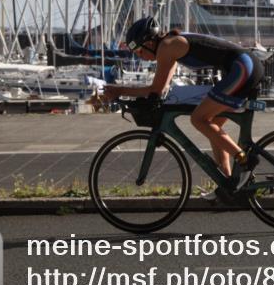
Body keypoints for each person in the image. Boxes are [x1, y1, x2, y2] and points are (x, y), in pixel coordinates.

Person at [102, 17, 264, 200]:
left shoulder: (167, 46)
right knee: (212, 125)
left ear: (148, 43)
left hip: (243, 68)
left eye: (139, 51)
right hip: (241, 67)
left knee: (198, 119)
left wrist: (120, 90)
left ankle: (245, 161)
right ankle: (228, 184)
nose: (140, 56)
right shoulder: (169, 47)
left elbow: (155, 89)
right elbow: (161, 89)